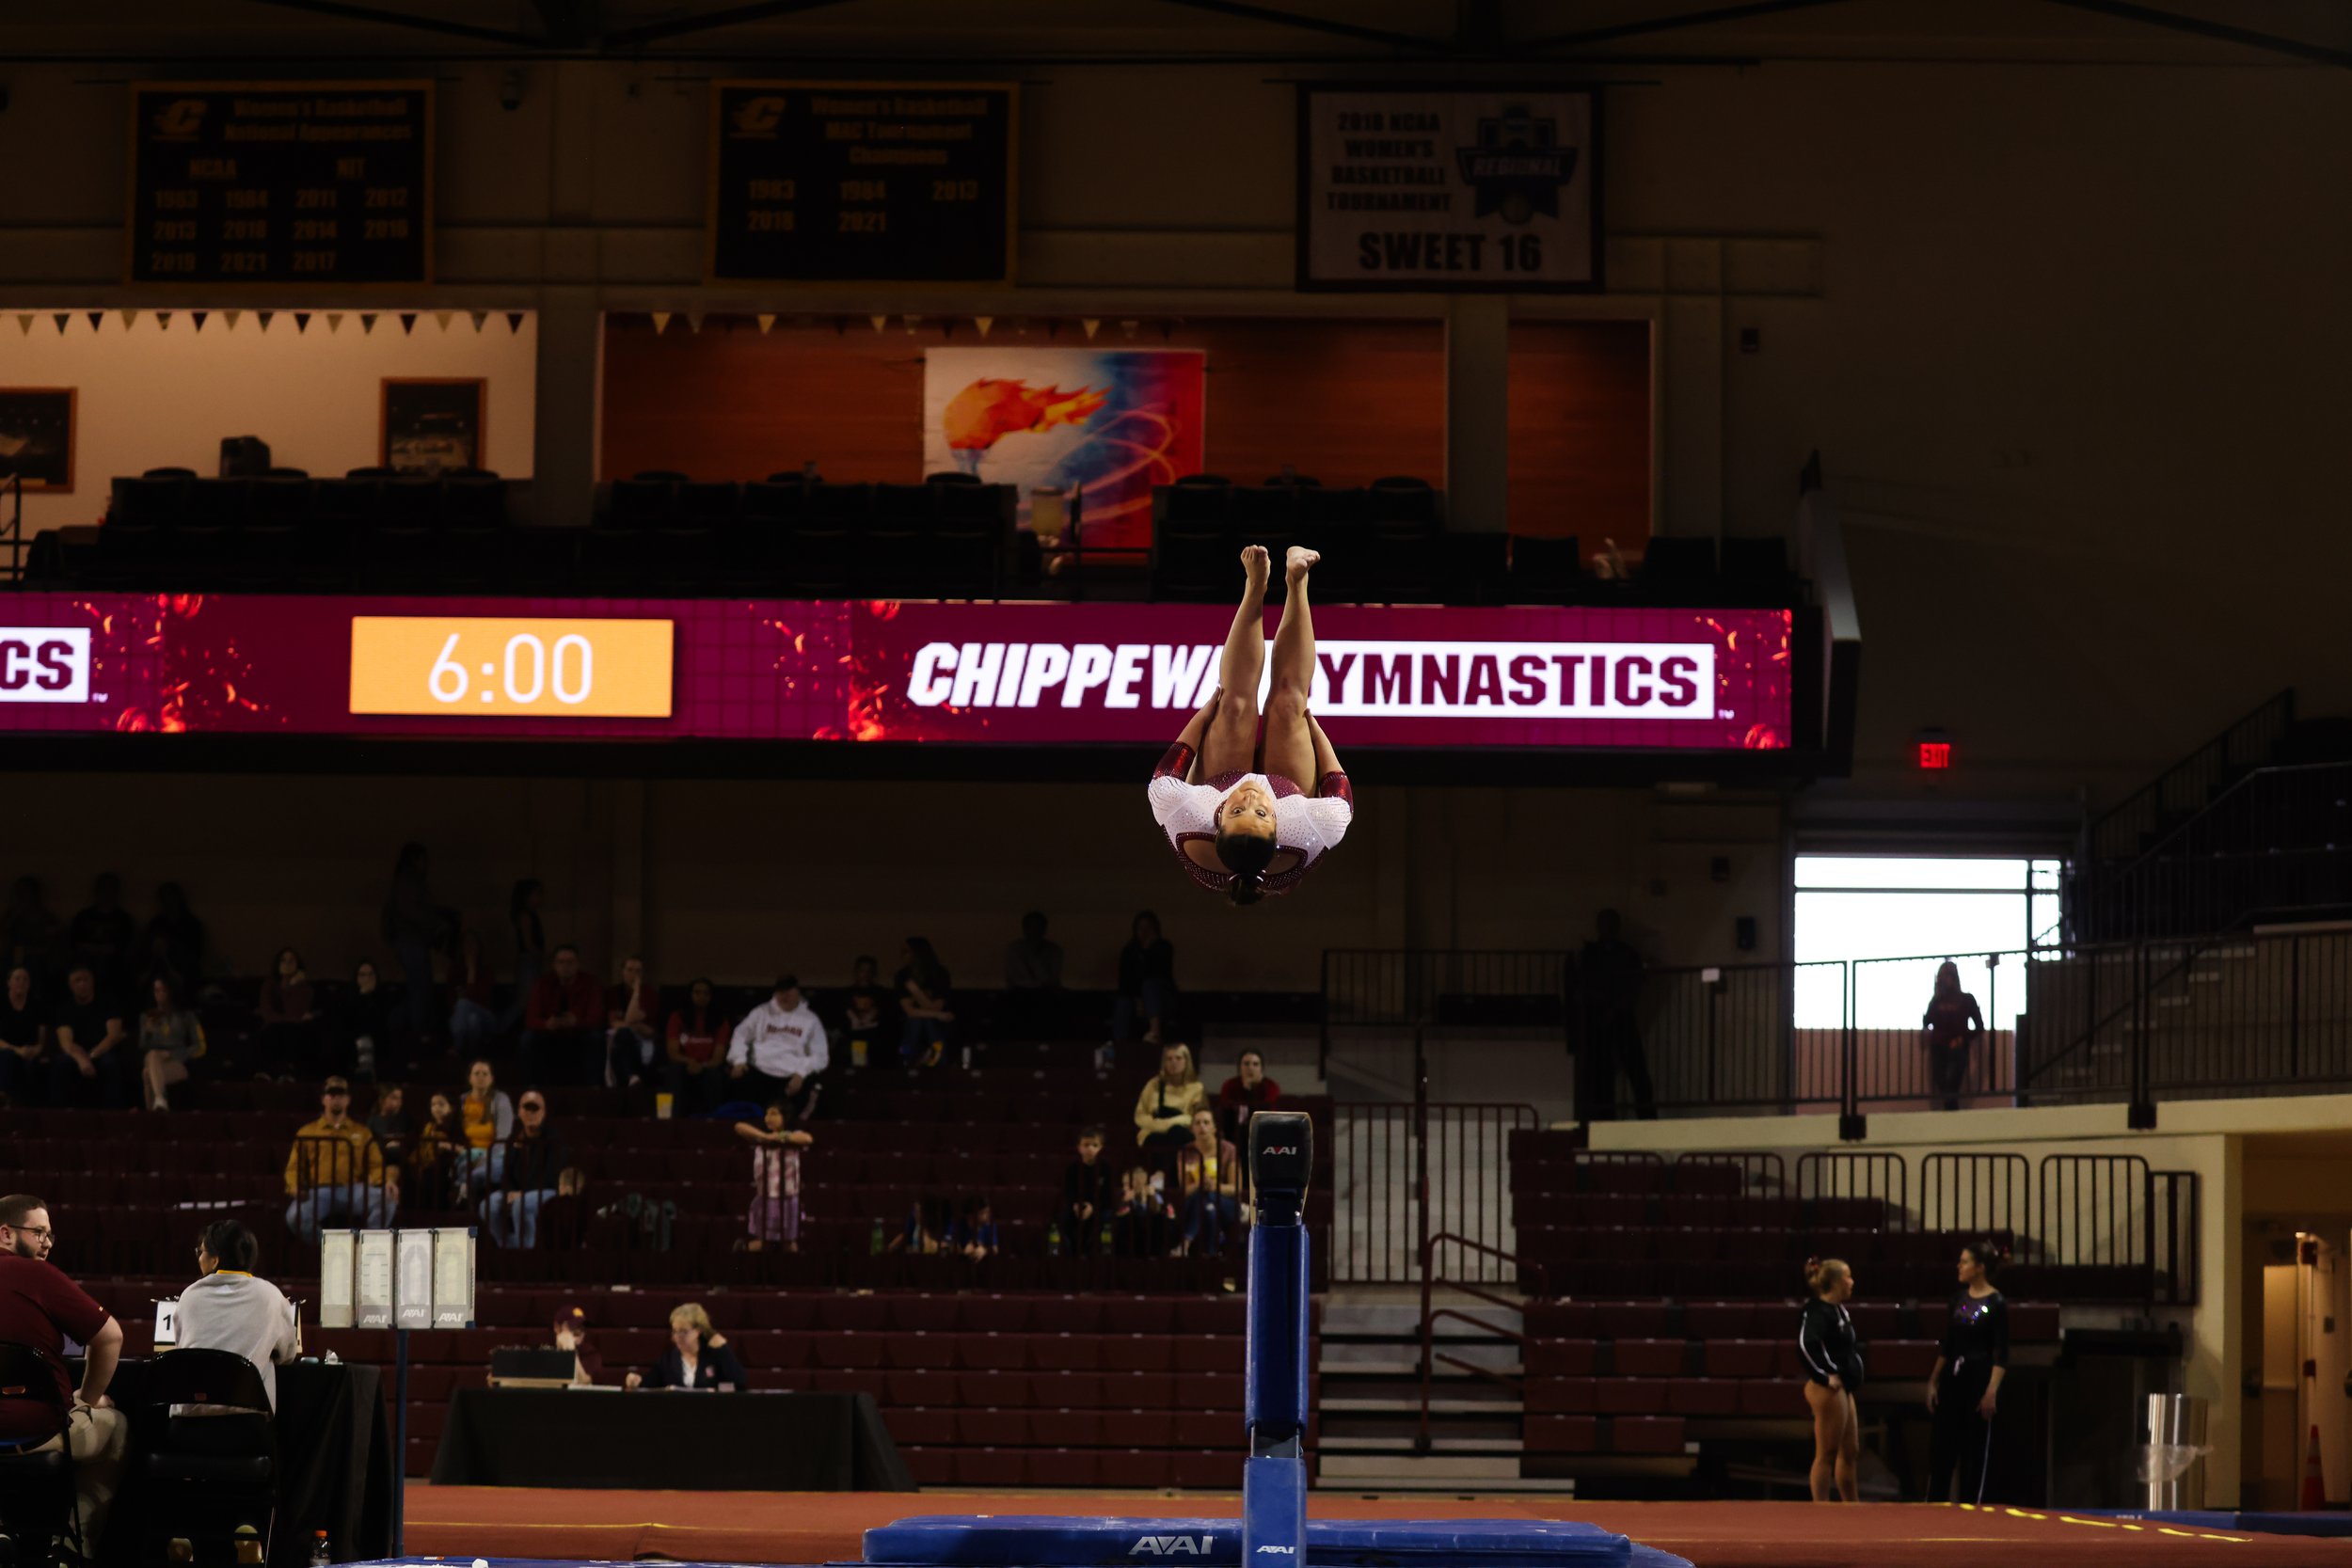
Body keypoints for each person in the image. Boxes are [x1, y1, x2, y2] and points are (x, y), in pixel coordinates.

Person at [1148, 545, 1353, 904]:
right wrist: (1315, 727)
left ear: (1217, 825)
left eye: (1238, 810)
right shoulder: (1309, 829)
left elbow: (1169, 768)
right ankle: (1297, 580)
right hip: (1289, 793)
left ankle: (1255, 585)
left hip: (1214, 782)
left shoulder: (1185, 817)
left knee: (1234, 704)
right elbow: (1338, 788)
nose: (1251, 796)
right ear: (1277, 831)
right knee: (1290, 705)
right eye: (1260, 813)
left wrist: (1206, 710)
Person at [0, 1194, 128, 1553]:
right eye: (38, 1233)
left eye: (50, 1236)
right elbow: (111, 1337)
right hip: (34, 1433)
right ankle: (72, 1549)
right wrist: (87, 1400)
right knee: (116, 1426)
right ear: (6, 1234)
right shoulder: (37, 1274)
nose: (46, 1245)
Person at [172, 1218, 299, 1410]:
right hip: (246, 1423)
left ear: (215, 1260)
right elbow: (288, 1354)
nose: (198, 1258)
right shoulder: (271, 1295)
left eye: (201, 1251)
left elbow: (182, 1348)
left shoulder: (189, 1296)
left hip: (188, 1423)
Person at [1926, 1241, 2011, 1505]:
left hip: (1979, 1377)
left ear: (1980, 1267)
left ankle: (1972, 1506)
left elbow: (2001, 1352)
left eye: (1964, 1262)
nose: (1959, 1266)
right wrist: (1933, 1381)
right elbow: (1947, 1344)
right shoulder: (1957, 1300)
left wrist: (1991, 1392)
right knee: (1942, 1447)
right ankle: (1934, 1505)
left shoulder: (1996, 1303)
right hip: (1953, 1376)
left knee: (1973, 1449)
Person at [284, 1077, 395, 1240]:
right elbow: (294, 1167)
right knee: (294, 1216)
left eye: (341, 1094)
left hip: (354, 1189)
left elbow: (376, 1164)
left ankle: (368, 1244)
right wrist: (294, 1187)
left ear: (348, 1100)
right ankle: (328, 1247)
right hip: (319, 1191)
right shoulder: (307, 1132)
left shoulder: (362, 1132)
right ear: (323, 1099)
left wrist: (385, 1181)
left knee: (388, 1201)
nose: (336, 1098)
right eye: (331, 1094)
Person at [1576, 910, 1655, 1121]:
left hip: (1620, 1017)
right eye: (1603, 924)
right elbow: (1584, 985)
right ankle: (1604, 1117)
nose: (1606, 928)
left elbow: (1634, 985)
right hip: (1600, 1019)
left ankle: (1646, 1118)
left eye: (1610, 924)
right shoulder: (1591, 954)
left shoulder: (1626, 954)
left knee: (1636, 1071)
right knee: (1602, 1074)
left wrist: (1616, 1008)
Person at [1797, 1256, 1864, 1504]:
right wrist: (1824, 1375)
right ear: (1835, 1282)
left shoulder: (1838, 1309)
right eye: (1847, 1276)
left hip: (1843, 1387)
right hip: (1827, 1388)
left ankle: (1851, 1506)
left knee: (1850, 1451)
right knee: (1827, 1452)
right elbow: (1806, 1345)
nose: (1851, 1281)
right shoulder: (1816, 1311)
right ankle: (1821, 1509)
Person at [728, 975, 828, 1118]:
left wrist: (801, 1073)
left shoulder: (811, 1019)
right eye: (781, 992)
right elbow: (740, 1034)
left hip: (791, 1077)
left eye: (789, 991)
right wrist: (739, 1061)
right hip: (759, 1070)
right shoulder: (761, 1012)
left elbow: (820, 1055)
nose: (785, 996)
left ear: (797, 992)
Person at [382, 843, 445, 1056]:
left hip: (412, 941)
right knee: (420, 988)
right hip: (411, 942)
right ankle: (418, 1035)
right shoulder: (408, 883)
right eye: (424, 859)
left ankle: (398, 1025)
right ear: (416, 860)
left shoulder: (407, 882)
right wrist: (434, 924)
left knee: (420, 988)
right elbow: (413, 913)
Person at [485, 1089, 567, 1248]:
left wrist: (523, 1193)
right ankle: (508, 1247)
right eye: (526, 1108)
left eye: (535, 1108)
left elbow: (551, 1176)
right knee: (488, 1205)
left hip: (547, 1190)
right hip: (519, 1191)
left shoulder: (554, 1140)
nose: (530, 1113)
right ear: (519, 1112)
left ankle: (527, 1250)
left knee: (521, 1205)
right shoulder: (515, 1138)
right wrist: (508, 1191)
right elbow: (506, 1173)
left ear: (544, 1112)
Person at [737, 1104, 814, 1251]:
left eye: (774, 1114)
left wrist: (780, 1137)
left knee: (788, 1242)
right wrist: (765, 1137)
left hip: (789, 1197)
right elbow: (739, 1127)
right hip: (766, 1197)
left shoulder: (792, 1136)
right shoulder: (760, 1137)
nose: (768, 1117)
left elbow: (807, 1139)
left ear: (785, 1117)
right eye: (767, 1114)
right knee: (763, 1241)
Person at [523, 944, 603, 1085]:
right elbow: (531, 1018)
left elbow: (596, 1018)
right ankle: (531, 1086)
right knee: (527, 1039)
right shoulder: (543, 983)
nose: (566, 966)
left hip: (579, 1032)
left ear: (578, 964)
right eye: (561, 962)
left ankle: (594, 1087)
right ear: (554, 965)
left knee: (595, 1038)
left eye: (570, 962)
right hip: (550, 1032)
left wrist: (577, 1022)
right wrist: (546, 1024)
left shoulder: (591, 983)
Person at [50, 964, 128, 1107]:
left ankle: (111, 1115)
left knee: (110, 1064)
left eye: (86, 980)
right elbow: (66, 1042)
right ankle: (61, 1113)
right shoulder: (65, 1009)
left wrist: (92, 1055)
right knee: (62, 1063)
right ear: (70, 985)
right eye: (77, 981)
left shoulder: (108, 1003)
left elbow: (114, 1035)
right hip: (76, 1053)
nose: (82, 984)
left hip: (102, 1050)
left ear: (92, 982)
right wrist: (82, 1060)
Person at [624, 1302, 748, 1391]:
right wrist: (636, 1381)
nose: (678, 1336)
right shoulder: (668, 1359)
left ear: (698, 1330)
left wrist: (724, 1350)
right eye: (675, 1331)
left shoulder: (714, 1356)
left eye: (683, 1331)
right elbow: (648, 1385)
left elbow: (740, 1383)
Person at [1175, 1105, 1244, 1257]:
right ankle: (1212, 1254)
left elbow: (1236, 1188)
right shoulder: (1186, 1152)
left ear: (1214, 1127)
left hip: (1226, 1203)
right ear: (1192, 1129)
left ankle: (1186, 1241)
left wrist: (1214, 1187)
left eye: (1206, 1122)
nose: (1202, 1127)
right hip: (1196, 1201)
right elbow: (1185, 1191)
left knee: (1209, 1198)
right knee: (1208, 1207)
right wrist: (1200, 1184)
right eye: (1198, 1123)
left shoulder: (1228, 1150)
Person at [1923, 961, 1988, 1111]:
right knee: (1944, 1086)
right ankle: (1952, 1118)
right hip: (1939, 1048)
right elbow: (1928, 1021)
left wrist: (1962, 1038)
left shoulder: (1967, 999)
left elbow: (1980, 1026)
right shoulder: (1937, 1000)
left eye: (1948, 975)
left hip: (1958, 1049)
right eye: (1942, 976)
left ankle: (1951, 1119)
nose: (1945, 979)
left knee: (1952, 1086)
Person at [663, 978, 732, 1114]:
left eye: (706, 993)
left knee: (714, 1076)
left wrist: (702, 1066)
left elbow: (718, 1057)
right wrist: (691, 1062)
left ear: (711, 997)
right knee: (673, 1071)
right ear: (690, 994)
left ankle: (713, 1118)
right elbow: (673, 1053)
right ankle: (670, 1117)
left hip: (707, 1066)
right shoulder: (677, 1017)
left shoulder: (720, 1020)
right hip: (684, 1064)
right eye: (697, 992)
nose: (701, 996)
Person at [138, 974, 202, 1112]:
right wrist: (148, 1032)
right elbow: (142, 1046)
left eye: (163, 990)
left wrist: (174, 1054)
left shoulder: (187, 1016)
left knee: (147, 1073)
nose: (159, 994)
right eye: (156, 990)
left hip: (177, 1063)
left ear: (172, 992)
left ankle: (153, 1115)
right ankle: (159, 1100)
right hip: (155, 1061)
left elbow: (200, 1045)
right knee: (152, 1057)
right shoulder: (147, 1017)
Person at [67, 874, 138, 997]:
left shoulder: (123, 919)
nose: (107, 893)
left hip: (114, 969)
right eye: (103, 888)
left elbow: (126, 947)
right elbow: (74, 944)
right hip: (86, 966)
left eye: (111, 889)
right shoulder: (84, 917)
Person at [1112, 911, 1176, 1047]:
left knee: (1150, 986)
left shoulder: (1164, 947)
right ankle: (1119, 1044)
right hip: (1135, 997)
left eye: (1148, 927)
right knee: (1123, 1001)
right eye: (1141, 928)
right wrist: (1137, 999)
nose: (1145, 932)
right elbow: (1126, 980)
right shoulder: (1129, 951)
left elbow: (1160, 974)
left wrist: (1148, 950)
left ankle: (1155, 1033)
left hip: (1161, 996)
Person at [255, 946, 319, 1082]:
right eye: (283, 960)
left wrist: (294, 986)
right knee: (275, 1030)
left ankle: (288, 1073)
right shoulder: (269, 986)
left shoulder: (305, 989)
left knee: (292, 1032)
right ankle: (267, 1073)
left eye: (291, 960)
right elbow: (269, 1014)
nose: (287, 964)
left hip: (295, 1030)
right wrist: (293, 1019)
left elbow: (295, 1011)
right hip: (273, 1028)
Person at [1002, 911, 1064, 1039]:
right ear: (1024, 929)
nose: (1035, 931)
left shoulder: (1053, 950)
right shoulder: (1015, 949)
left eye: (1039, 927)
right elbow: (1016, 978)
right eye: (1031, 927)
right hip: (1019, 997)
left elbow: (1051, 979)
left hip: (1046, 998)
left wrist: (1034, 961)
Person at [1133, 1042, 1205, 1151]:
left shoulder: (1196, 1088)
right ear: (1164, 1062)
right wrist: (1160, 1126)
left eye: (1178, 1058)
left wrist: (1172, 1124)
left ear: (1187, 1061)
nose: (1174, 1063)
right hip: (1153, 1132)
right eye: (1169, 1059)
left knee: (1177, 1133)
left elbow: (1195, 1118)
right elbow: (1140, 1116)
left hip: (1181, 1133)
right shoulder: (1153, 1084)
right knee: (1156, 1140)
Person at [458, 1057, 516, 1196]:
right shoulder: (462, 1100)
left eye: (485, 1074)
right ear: (469, 1078)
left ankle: (466, 1189)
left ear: (492, 1079)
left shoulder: (501, 1100)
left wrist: (483, 1159)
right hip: (466, 1154)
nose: (481, 1077)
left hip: (494, 1155)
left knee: (483, 1170)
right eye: (476, 1073)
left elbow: (503, 1139)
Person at [333, 959, 396, 1082]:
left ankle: (367, 1072)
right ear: (356, 978)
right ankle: (363, 1072)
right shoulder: (348, 998)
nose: (367, 978)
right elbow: (349, 1022)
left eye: (370, 974)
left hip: (379, 1037)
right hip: (354, 1038)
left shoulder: (385, 997)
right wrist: (362, 996)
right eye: (362, 975)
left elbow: (382, 1021)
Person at [896, 939, 955, 1068]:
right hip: (912, 1021)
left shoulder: (939, 974)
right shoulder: (902, 975)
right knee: (915, 1021)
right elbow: (909, 1011)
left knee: (927, 1022)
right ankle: (909, 1062)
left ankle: (937, 1061)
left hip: (936, 1022)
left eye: (906, 951)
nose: (902, 955)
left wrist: (916, 992)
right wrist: (938, 1015)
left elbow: (936, 1007)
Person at [143, 880, 209, 996]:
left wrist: (171, 949)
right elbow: (146, 954)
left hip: (185, 976)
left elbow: (196, 955)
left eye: (171, 897)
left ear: (179, 899)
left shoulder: (192, 925)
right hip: (158, 974)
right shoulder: (156, 925)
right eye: (164, 898)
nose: (168, 902)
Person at [603, 956, 660, 1088]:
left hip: (644, 1040)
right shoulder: (612, 993)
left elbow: (648, 1029)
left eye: (638, 971)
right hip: (619, 1039)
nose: (634, 974)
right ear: (622, 972)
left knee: (626, 1033)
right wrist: (636, 1026)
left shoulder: (649, 993)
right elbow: (616, 1024)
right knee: (623, 1034)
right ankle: (631, 1077)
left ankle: (634, 1078)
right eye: (630, 970)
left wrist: (637, 992)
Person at [1, 877, 66, 991]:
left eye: (26, 892)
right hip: (16, 958)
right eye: (19, 892)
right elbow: (5, 935)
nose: (22, 896)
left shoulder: (47, 917)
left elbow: (54, 940)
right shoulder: (12, 916)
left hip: (41, 959)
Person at [501, 879, 548, 1035]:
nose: (540, 898)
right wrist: (544, 956)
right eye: (537, 894)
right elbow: (528, 945)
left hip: (531, 961)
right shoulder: (525, 916)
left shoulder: (532, 915)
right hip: (528, 961)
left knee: (529, 1001)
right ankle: (496, 1031)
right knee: (523, 1002)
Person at [1060, 1126, 1112, 1257]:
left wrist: (1093, 1207)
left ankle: (1093, 1254)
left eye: (1095, 1145)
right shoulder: (1072, 1169)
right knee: (1063, 1218)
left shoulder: (1106, 1169)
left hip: (1099, 1207)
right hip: (1077, 1206)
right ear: (1079, 1147)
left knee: (1107, 1218)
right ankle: (1070, 1254)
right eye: (1086, 1145)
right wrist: (1076, 1205)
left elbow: (1107, 1195)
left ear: (1101, 1147)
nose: (1090, 1148)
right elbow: (1068, 1192)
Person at [0, 965, 49, 1106]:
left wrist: (35, 1050)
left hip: (29, 1051)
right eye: (17, 978)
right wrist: (17, 1050)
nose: (21, 982)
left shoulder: (37, 1006)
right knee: (7, 1056)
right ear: (9, 982)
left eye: (25, 979)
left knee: (33, 1066)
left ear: (29, 984)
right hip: (5, 1050)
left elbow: (41, 1041)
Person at [449, 928, 501, 1059]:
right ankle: (473, 1056)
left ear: (479, 947)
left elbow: (479, 998)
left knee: (464, 1004)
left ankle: (458, 1047)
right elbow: (452, 1003)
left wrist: (472, 972)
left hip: (487, 1017)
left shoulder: (486, 971)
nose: (470, 947)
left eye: (473, 943)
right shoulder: (455, 971)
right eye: (467, 943)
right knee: (472, 1020)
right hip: (461, 1019)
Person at [412, 1090, 466, 1209]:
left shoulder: (456, 1128)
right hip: (428, 1165)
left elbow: (463, 1150)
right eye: (433, 1105)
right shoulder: (428, 1127)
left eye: (441, 1104)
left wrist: (446, 1146)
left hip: (449, 1167)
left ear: (451, 1108)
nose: (436, 1108)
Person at [1215, 1048, 1281, 1141]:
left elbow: (1267, 1111)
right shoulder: (1230, 1085)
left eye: (1255, 1064)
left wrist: (1250, 1091)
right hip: (1234, 1133)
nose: (1250, 1068)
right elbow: (1226, 1110)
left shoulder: (1271, 1086)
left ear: (1261, 1068)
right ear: (1240, 1067)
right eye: (1246, 1064)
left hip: (1264, 1132)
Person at [1112, 1165, 1173, 1259]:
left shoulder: (1154, 1195)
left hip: (1152, 1237)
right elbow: (1118, 1217)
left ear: (1139, 1184)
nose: (1124, 1188)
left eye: (1127, 1184)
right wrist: (1125, 1202)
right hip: (1132, 1239)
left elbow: (1162, 1213)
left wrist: (1151, 1198)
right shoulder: (1123, 1198)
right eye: (1123, 1184)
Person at [552, 1304, 605, 1386]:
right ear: (556, 1328)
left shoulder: (591, 1354)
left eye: (582, 1328)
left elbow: (583, 1382)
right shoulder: (547, 1351)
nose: (580, 1333)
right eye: (573, 1327)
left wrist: (571, 1353)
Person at [367, 1083, 411, 1172]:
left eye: (400, 1098)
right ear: (382, 1100)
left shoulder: (406, 1121)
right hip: (380, 1166)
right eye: (394, 1098)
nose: (399, 1102)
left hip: (402, 1168)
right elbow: (369, 1146)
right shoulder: (373, 1121)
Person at [952, 1196, 999, 1260]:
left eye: (988, 1212)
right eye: (984, 1212)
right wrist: (962, 1250)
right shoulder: (959, 1225)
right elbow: (948, 1245)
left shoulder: (990, 1225)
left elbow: (995, 1249)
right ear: (972, 1215)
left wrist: (985, 1250)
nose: (988, 1215)